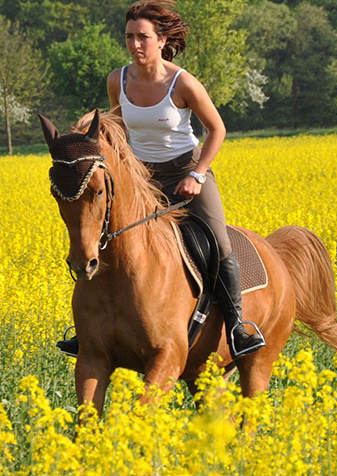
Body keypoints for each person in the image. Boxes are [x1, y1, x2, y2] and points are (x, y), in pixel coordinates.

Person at [105, 0, 265, 358]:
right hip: (141, 178)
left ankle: (238, 327)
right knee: (106, 239)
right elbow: (117, 127)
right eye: (129, 37)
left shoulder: (182, 82)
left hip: (186, 173)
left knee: (219, 243)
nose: (135, 45)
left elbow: (217, 129)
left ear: (162, 40)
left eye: (143, 37)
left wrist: (198, 173)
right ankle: (96, 327)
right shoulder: (118, 80)